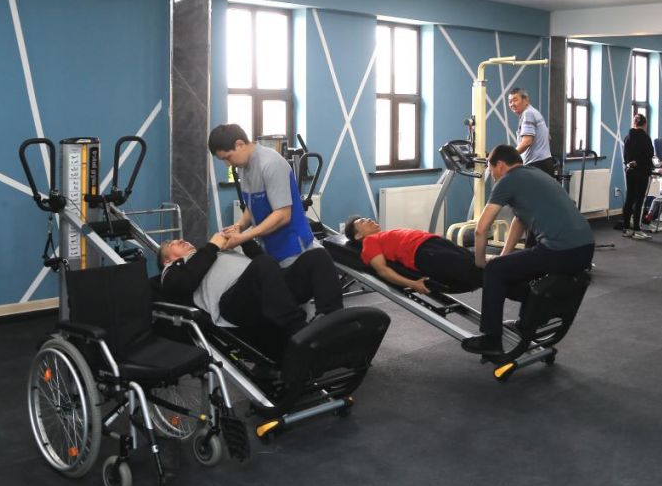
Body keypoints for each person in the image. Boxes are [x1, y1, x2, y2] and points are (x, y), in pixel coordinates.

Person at [460, 144, 595, 357]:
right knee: (508, 266)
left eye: (491, 169)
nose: (491, 175)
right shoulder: (535, 174)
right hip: (585, 247)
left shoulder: (507, 181)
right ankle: (528, 321)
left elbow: (481, 229)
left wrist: (481, 263)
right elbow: (520, 220)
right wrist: (503, 256)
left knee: (494, 271)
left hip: (560, 250)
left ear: (500, 165)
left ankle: (491, 339)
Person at [208, 124, 343, 316]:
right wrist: (239, 226)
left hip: (293, 246)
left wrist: (244, 237)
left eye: (227, 157)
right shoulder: (244, 168)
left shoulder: (270, 164)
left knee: (293, 300)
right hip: (271, 247)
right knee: (281, 298)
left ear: (239, 144)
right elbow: (252, 205)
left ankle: (313, 328)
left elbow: (282, 215)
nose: (228, 165)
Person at [157, 234, 308, 339]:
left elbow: (262, 262)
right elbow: (182, 284)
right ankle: (299, 331)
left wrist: (244, 240)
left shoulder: (210, 253)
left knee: (314, 258)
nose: (181, 240)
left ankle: (322, 321)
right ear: (166, 261)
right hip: (233, 303)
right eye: (172, 243)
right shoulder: (172, 271)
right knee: (263, 264)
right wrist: (212, 246)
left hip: (264, 288)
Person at [343, 217, 482, 293]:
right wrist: (413, 284)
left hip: (434, 242)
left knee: (477, 262)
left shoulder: (382, 236)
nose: (368, 219)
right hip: (424, 252)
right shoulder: (369, 241)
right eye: (362, 222)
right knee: (475, 271)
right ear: (358, 235)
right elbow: (383, 271)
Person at [508, 88, 555, 178]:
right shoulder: (533, 112)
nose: (512, 104)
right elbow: (548, 137)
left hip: (537, 165)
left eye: (515, 100)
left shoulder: (528, 113)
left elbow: (527, 142)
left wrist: (509, 156)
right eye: (510, 101)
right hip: (542, 164)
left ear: (526, 100)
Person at [622, 113, 654, 240]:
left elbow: (626, 157)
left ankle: (626, 228)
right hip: (642, 172)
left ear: (634, 123)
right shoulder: (646, 138)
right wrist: (640, 162)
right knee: (639, 201)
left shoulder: (627, 137)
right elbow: (649, 156)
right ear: (645, 124)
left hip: (630, 172)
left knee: (629, 199)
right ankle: (636, 229)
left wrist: (632, 163)